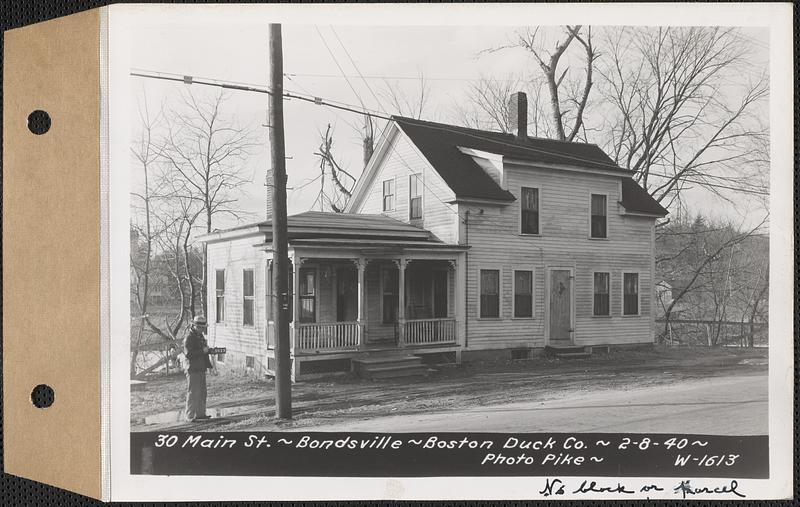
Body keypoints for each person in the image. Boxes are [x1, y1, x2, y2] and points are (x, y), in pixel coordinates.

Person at [184, 315, 212, 422]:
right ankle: (189, 415)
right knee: (193, 392)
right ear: (194, 326)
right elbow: (188, 354)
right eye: (200, 327)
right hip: (193, 369)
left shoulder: (200, 337)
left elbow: (202, 351)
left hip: (201, 368)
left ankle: (200, 414)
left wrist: (208, 351)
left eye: (203, 327)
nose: (202, 329)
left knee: (202, 392)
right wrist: (202, 351)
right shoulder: (189, 338)